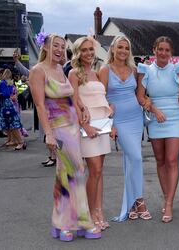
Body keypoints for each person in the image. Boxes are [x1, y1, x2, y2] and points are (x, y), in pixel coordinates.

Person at [28, 34, 101, 241]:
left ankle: (71, 222)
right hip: (58, 129)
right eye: (55, 46)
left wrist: (82, 108)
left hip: (73, 127)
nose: (59, 50)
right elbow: (40, 105)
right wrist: (48, 134)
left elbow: (70, 97)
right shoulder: (37, 71)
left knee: (73, 171)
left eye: (62, 46)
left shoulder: (61, 69)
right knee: (70, 171)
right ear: (46, 47)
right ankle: (71, 223)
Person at [99, 35, 151, 222]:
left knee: (132, 160)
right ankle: (139, 200)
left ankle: (132, 204)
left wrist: (149, 104)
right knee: (136, 158)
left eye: (126, 48)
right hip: (118, 119)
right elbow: (101, 98)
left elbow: (140, 95)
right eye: (120, 47)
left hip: (135, 118)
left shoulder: (134, 69)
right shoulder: (105, 70)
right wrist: (110, 124)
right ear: (112, 48)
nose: (123, 51)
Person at [136, 36, 179, 223]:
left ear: (171, 53)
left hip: (175, 117)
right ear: (154, 50)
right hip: (155, 117)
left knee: (172, 160)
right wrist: (155, 110)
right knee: (160, 160)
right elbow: (140, 97)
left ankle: (169, 203)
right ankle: (167, 197)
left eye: (167, 50)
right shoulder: (145, 70)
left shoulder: (178, 69)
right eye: (160, 49)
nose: (163, 53)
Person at [69, 36, 112, 230]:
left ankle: (98, 211)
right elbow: (74, 102)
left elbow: (101, 98)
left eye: (90, 50)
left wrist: (111, 110)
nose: (88, 53)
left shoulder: (96, 73)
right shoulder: (73, 73)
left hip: (102, 126)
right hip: (87, 127)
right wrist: (85, 126)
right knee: (94, 170)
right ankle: (86, 214)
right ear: (78, 53)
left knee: (99, 171)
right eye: (84, 50)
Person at [0, 69, 26, 150]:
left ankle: (20, 142)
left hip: (6, 106)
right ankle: (18, 141)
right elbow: (11, 93)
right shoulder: (10, 82)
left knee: (12, 125)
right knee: (12, 124)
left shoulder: (2, 83)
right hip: (10, 105)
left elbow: (6, 94)